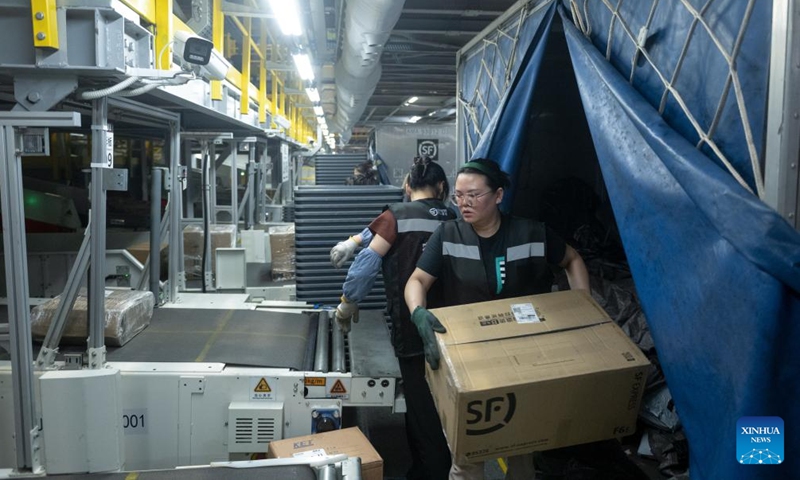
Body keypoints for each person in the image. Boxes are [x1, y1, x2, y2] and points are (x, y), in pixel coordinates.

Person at [404, 158, 590, 480]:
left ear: (499, 195)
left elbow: (572, 259)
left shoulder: (531, 232)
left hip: (525, 356)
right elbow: (416, 281)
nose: (464, 203)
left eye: (473, 195)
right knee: (467, 455)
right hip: (470, 358)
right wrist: (418, 312)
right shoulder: (449, 234)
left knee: (521, 449)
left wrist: (582, 307)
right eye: (458, 196)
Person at [333, 157, 457, 480]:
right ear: (442, 187)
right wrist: (356, 239)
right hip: (454, 325)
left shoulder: (397, 215)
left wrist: (348, 301)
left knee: (420, 409)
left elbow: (366, 265)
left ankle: (429, 471)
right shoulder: (457, 216)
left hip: (412, 325)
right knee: (448, 403)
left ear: (406, 187)